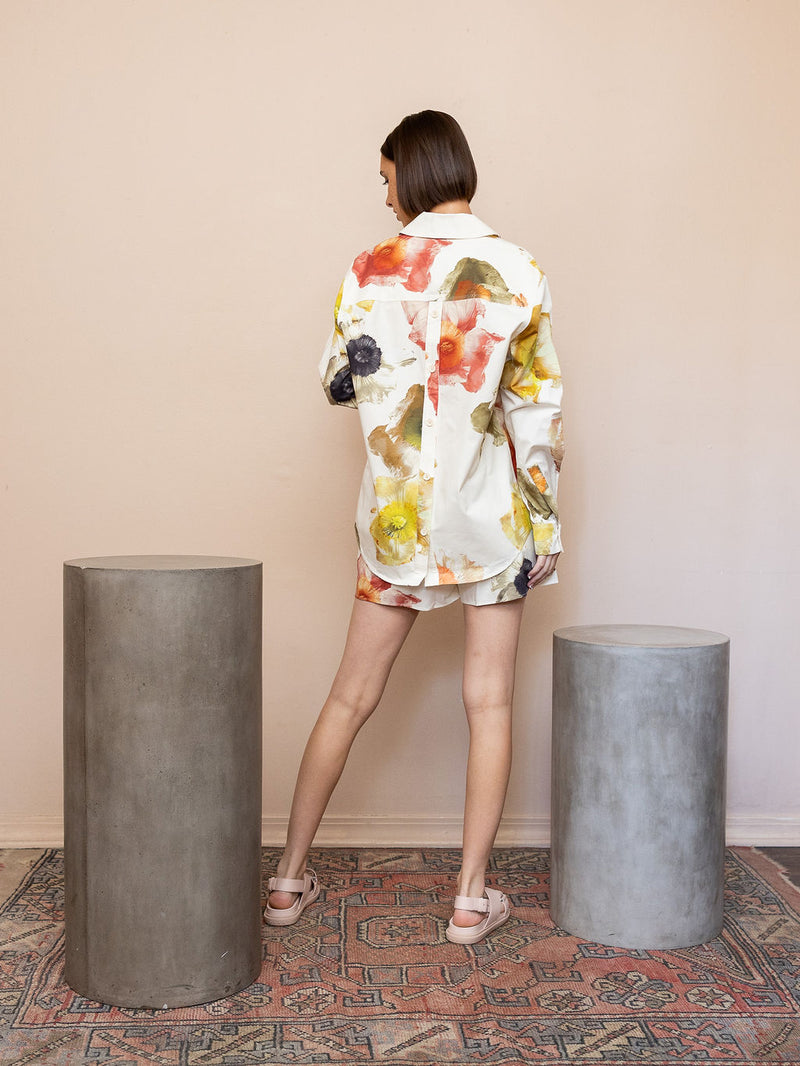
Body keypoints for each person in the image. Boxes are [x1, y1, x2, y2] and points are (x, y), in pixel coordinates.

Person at [264, 110, 564, 944]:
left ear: (412, 172)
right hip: (491, 515)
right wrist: (544, 523)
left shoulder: (370, 267)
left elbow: (336, 382)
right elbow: (536, 411)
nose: (383, 189)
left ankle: (287, 880)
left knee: (349, 695)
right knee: (491, 702)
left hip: (395, 520)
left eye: (386, 173)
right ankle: (470, 899)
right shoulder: (520, 268)